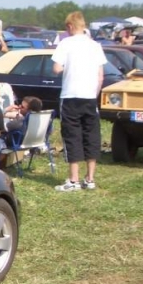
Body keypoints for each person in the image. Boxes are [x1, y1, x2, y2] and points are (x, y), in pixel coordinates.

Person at [51, 10, 106, 191]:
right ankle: (90, 178)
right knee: (91, 134)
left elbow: (56, 68)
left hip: (70, 96)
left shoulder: (65, 43)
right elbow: (100, 76)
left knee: (72, 135)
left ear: (69, 26)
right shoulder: (95, 45)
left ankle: (73, 179)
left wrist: (66, 67)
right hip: (89, 96)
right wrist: (94, 93)